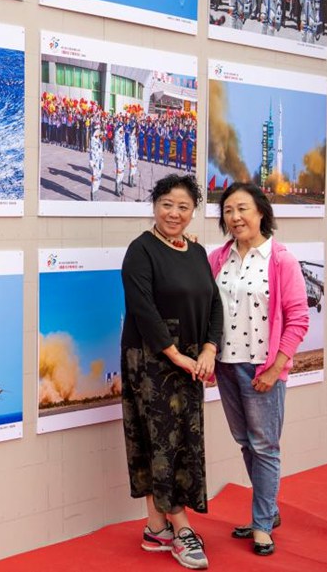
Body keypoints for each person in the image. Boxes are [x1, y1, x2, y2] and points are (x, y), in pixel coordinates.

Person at [121, 174, 223, 570]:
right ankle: (181, 528)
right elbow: (143, 310)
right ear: (154, 205)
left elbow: (215, 303)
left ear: (193, 211)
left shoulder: (196, 252)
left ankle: (155, 527)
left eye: (183, 206)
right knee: (161, 443)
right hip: (150, 361)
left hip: (192, 360)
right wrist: (177, 356)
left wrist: (210, 348)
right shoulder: (140, 251)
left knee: (175, 441)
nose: (174, 213)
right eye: (167, 204)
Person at [207, 183, 309, 557]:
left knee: (265, 446)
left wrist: (276, 368)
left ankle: (263, 525)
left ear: (262, 212)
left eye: (242, 209)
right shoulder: (218, 258)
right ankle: (268, 510)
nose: (235, 217)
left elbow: (298, 319)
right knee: (245, 442)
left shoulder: (281, 259)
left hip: (262, 367)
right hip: (226, 367)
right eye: (228, 211)